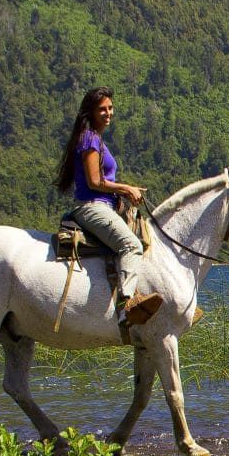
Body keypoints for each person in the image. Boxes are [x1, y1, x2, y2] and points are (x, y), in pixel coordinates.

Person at [53, 87, 163, 326]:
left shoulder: (96, 139)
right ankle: (126, 306)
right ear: (91, 112)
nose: (108, 113)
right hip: (93, 207)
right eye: (102, 109)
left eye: (110, 108)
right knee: (131, 245)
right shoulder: (90, 139)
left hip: (105, 206)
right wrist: (125, 189)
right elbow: (94, 181)